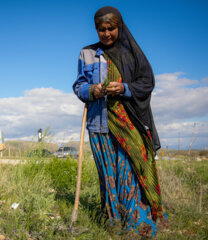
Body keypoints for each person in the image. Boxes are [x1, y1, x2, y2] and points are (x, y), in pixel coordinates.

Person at [72, 6, 168, 237]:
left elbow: (147, 82)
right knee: (109, 177)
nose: (106, 34)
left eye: (110, 28)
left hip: (129, 125)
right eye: (100, 29)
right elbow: (78, 85)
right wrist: (91, 90)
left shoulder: (131, 53)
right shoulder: (87, 53)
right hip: (99, 125)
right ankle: (114, 224)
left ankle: (137, 225)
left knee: (130, 174)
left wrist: (124, 88)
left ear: (120, 27)